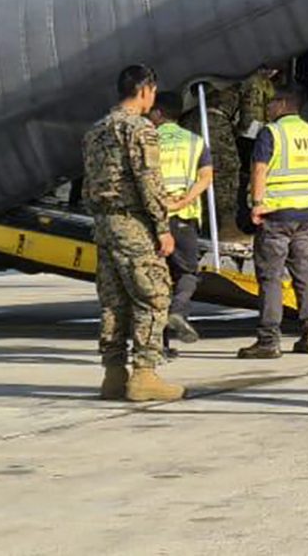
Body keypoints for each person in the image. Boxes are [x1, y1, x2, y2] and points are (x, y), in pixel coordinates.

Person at [83, 64, 184, 403]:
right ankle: (144, 374)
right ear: (145, 90)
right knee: (153, 294)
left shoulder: (96, 130)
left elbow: (88, 185)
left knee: (113, 300)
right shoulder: (139, 129)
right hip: (133, 224)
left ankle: (113, 375)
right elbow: (148, 182)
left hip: (104, 223)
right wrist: (162, 228)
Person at [239, 88, 308, 359]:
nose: (268, 107)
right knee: (302, 270)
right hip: (306, 215)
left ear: (284, 104)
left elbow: (260, 168)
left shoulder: (271, 133)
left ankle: (268, 340)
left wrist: (256, 203)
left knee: (271, 276)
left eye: (272, 102)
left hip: (276, 215)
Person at [148, 93, 212, 350]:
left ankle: (159, 344)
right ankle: (179, 310)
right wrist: (184, 201)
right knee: (186, 273)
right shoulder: (195, 142)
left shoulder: (149, 139)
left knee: (156, 278)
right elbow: (206, 177)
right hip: (184, 218)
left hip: (154, 218)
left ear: (158, 114)